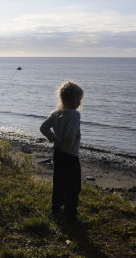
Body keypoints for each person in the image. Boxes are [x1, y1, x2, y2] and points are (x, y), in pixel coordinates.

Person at [40, 81, 84, 225]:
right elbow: (70, 135)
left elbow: (43, 128)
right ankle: (71, 217)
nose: (79, 102)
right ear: (72, 100)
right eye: (78, 99)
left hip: (58, 154)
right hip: (70, 156)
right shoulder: (75, 115)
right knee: (74, 186)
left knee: (58, 183)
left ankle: (55, 210)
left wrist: (53, 139)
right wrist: (67, 147)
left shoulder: (56, 113)